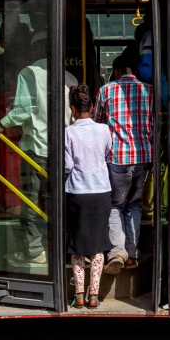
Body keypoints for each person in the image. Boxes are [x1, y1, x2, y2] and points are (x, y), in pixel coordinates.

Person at [0, 31, 49, 264]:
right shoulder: (68, 77)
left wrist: (1, 124)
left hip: (35, 149)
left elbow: (23, 110)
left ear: (34, 51)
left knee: (30, 202)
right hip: (62, 151)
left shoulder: (29, 73)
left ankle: (35, 251)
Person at [93, 54, 153, 274]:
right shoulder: (149, 91)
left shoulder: (106, 91)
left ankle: (117, 252)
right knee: (135, 205)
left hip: (117, 159)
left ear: (117, 71)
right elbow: (154, 124)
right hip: (143, 158)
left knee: (116, 205)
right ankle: (132, 254)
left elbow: (97, 123)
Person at [64, 84, 112, 309]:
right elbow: (106, 153)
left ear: (73, 108)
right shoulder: (104, 130)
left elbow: (67, 165)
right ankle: (94, 296)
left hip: (77, 193)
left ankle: (79, 295)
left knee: (77, 247)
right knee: (98, 246)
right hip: (101, 191)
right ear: (92, 107)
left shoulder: (68, 132)